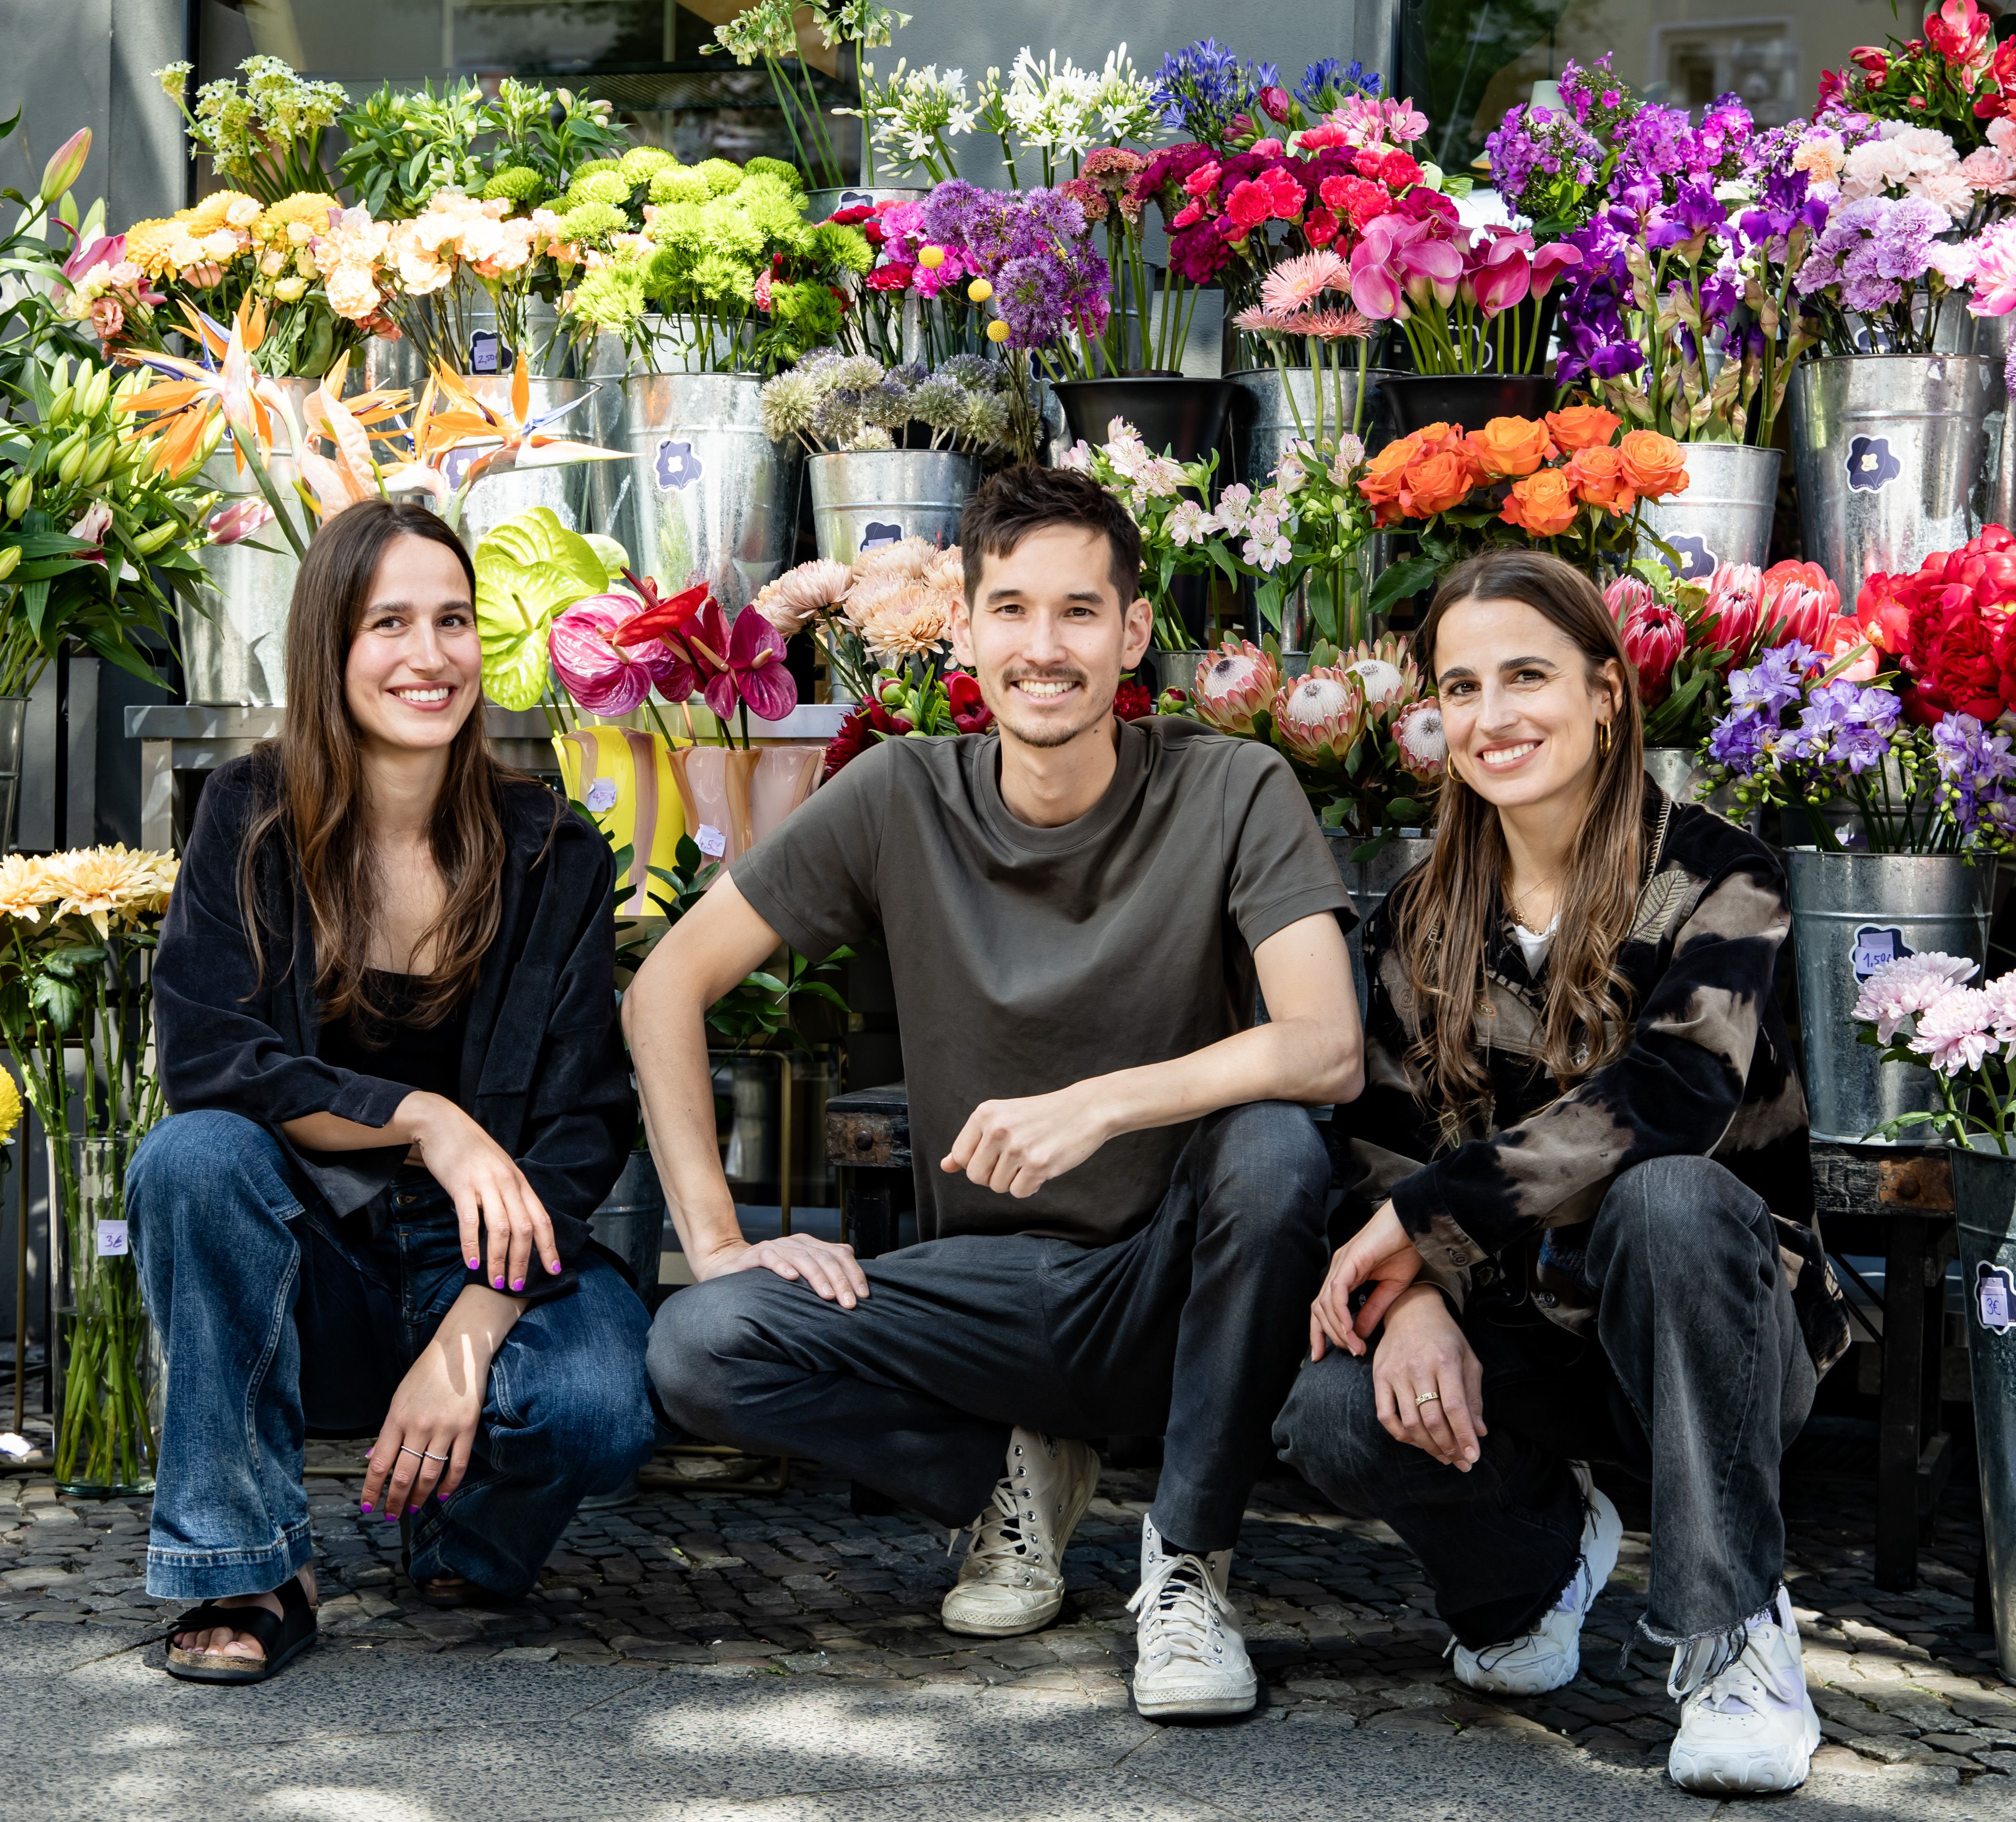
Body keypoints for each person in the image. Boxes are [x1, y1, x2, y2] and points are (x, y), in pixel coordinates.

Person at [632, 464, 1362, 1720]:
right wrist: (712, 1241)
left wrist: (1102, 1103)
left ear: (1132, 634)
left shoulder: (1231, 790)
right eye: (1011, 610)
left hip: (1171, 1287)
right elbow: (663, 986)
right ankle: (1003, 1477)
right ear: (962, 627)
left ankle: (1188, 1565)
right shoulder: (899, 794)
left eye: (1079, 612)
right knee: (701, 1347)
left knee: (1273, 1149)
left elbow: (1324, 1047)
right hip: (981, 1302)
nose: (1043, 647)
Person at [1268, 549, 1849, 1794]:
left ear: (1603, 694)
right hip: (1522, 1326)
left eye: (1525, 676)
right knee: (1328, 1409)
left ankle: (1732, 1634)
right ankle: (1529, 1572)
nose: (1491, 718)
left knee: (1670, 1199)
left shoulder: (1718, 876)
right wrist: (1416, 1294)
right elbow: (1376, 1141)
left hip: (1717, 1326)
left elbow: (1673, 1098)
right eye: (1460, 688)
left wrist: (1428, 1217)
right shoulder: (1414, 912)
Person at [130, 500, 652, 1684]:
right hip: (312, 1258)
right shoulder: (248, 816)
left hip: (491, 1257)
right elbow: (211, 1058)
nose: (430, 657)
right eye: (391, 624)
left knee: (595, 1406)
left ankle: (458, 1533)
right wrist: (427, 1121)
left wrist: (473, 1328)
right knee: (193, 1159)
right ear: (332, 648)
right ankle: (249, 1565)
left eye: (454, 621)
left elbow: (582, 1125)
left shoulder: (548, 848)